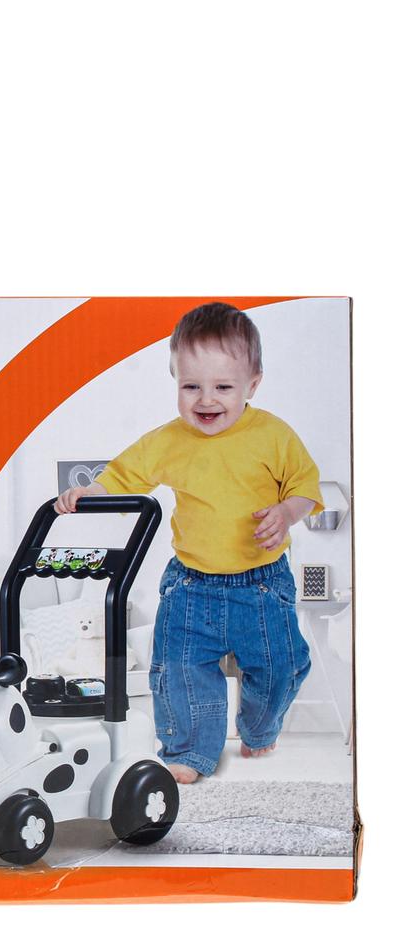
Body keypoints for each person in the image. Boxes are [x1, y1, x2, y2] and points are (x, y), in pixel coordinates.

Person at [55, 303, 322, 783]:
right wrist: (91, 492)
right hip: (191, 586)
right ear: (175, 380)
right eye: (191, 386)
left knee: (280, 667)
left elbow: (304, 488)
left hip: (262, 586)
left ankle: (260, 727)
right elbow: (124, 474)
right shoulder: (169, 440)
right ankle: (189, 751)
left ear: (252, 385)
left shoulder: (274, 435)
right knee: (179, 670)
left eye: (223, 387)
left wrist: (286, 513)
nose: (206, 400)